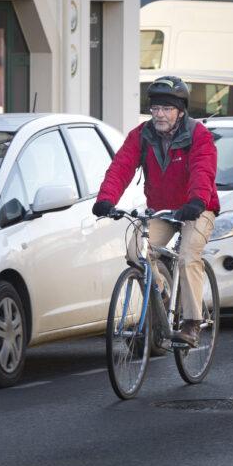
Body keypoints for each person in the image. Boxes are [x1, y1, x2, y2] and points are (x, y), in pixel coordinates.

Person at [92, 76, 220, 346]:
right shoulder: (142, 135)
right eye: (155, 109)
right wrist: (105, 199)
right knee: (135, 250)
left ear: (180, 111)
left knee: (187, 256)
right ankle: (161, 294)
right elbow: (120, 168)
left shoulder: (198, 135)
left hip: (198, 208)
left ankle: (191, 322)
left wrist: (196, 201)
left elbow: (203, 171)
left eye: (167, 109)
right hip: (162, 209)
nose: (159, 115)